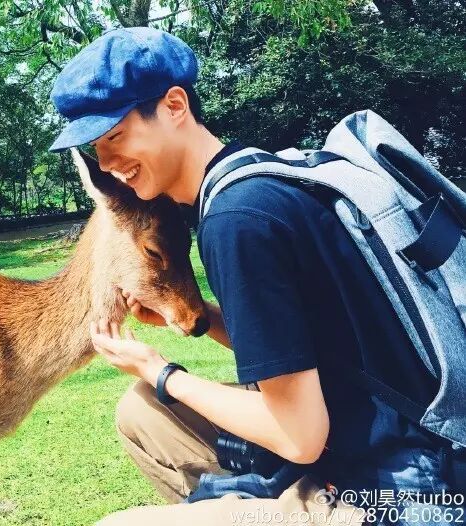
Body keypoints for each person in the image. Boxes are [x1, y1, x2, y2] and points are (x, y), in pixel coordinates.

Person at [48, 27, 462, 525]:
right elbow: (314, 341)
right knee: (143, 412)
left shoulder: (236, 222)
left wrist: (159, 371)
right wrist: (205, 320)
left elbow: (299, 436)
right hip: (423, 449)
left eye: (115, 137)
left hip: (407, 497)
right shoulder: (268, 177)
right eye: (96, 147)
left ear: (175, 106)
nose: (107, 164)